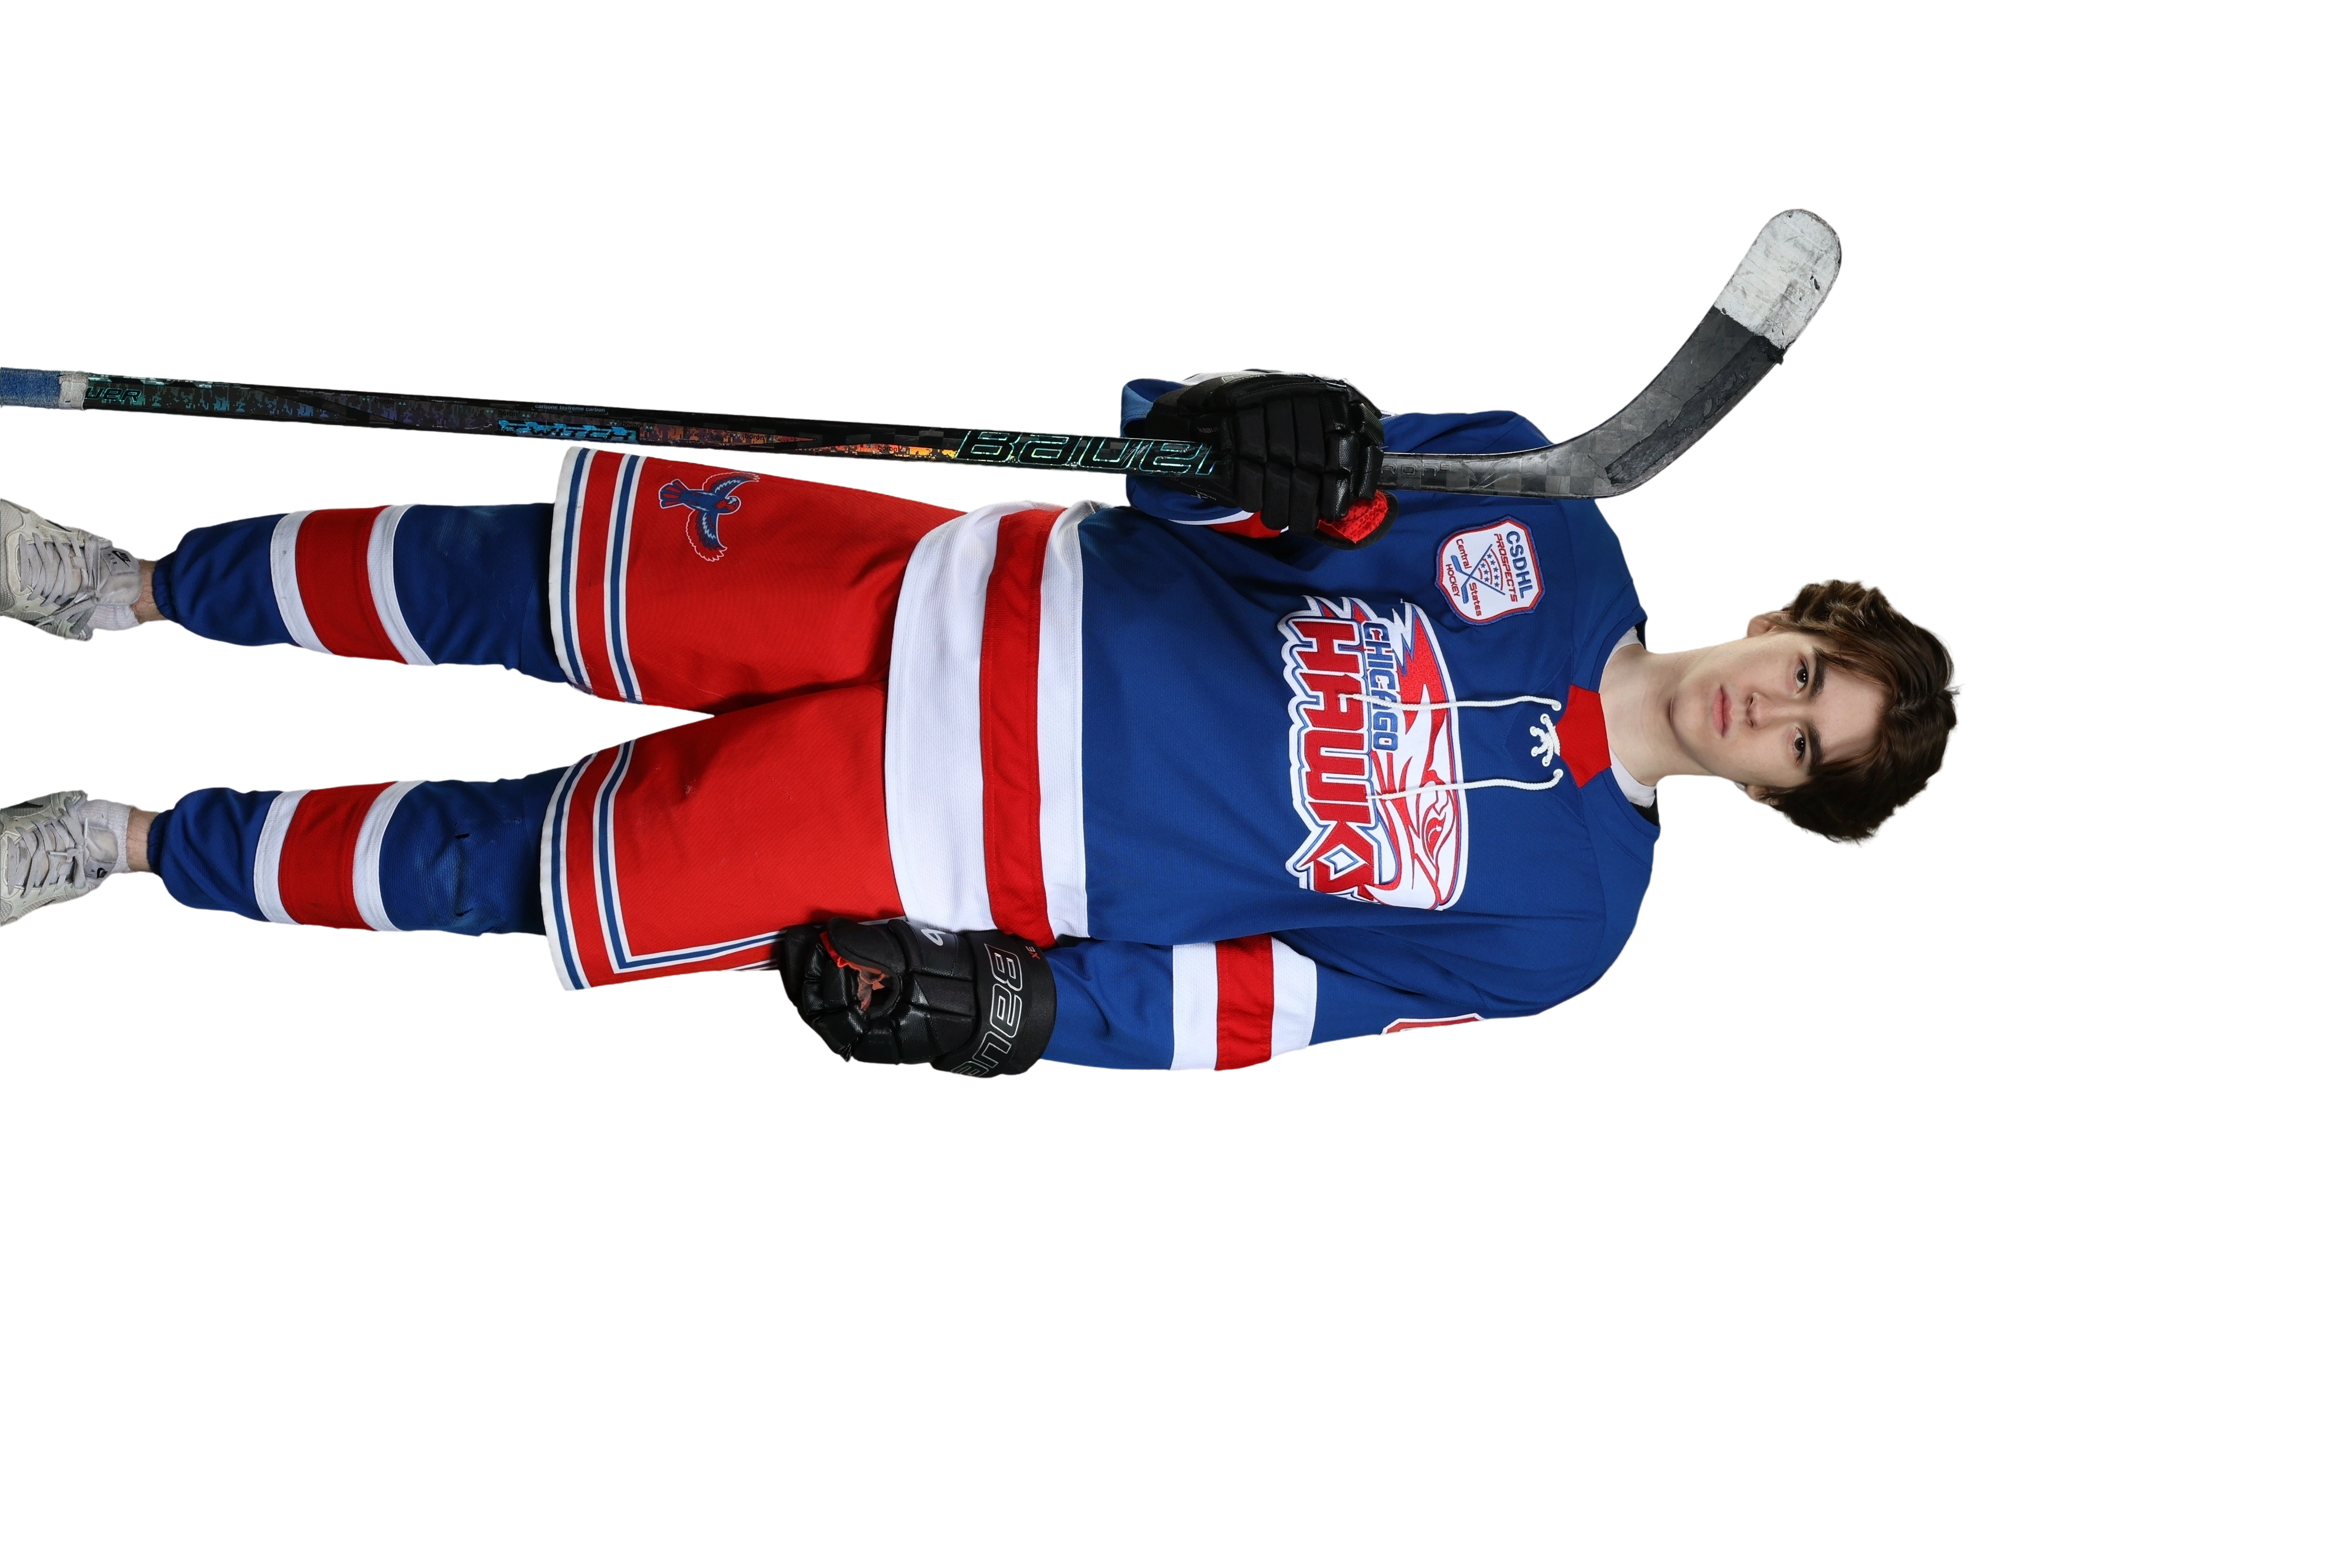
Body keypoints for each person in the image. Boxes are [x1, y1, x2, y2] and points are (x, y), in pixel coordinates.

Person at [0, 373, 1964, 1076]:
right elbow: (1190, 479)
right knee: (509, 579)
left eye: (1806, 746)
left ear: (1784, 798)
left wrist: (1026, 1018)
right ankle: (132, 589)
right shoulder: (1551, 516)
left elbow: (1270, 1000)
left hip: (937, 840)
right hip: (941, 595)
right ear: (1792, 623)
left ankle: (122, 842)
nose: (1769, 709)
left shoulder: (1562, 927)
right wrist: (1263, 441)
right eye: (1809, 672)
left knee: (504, 868)